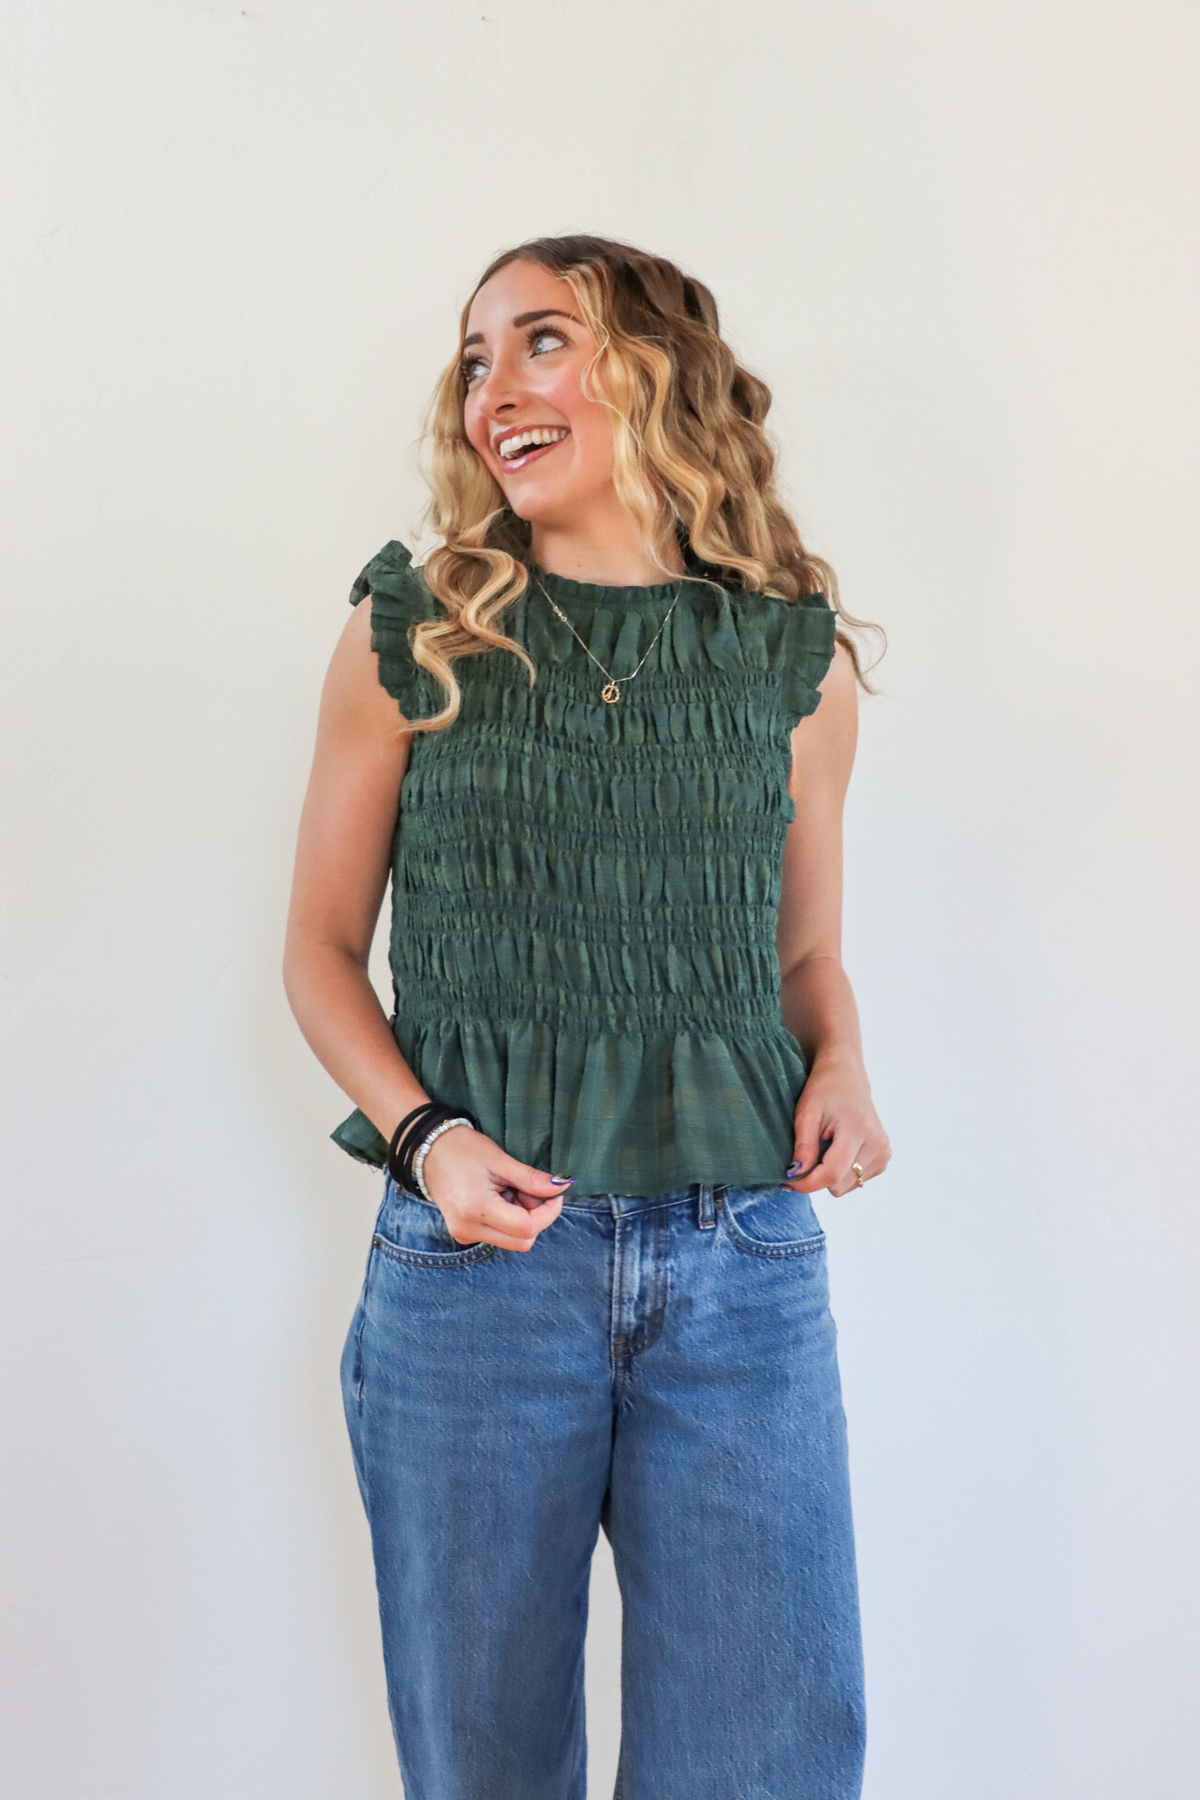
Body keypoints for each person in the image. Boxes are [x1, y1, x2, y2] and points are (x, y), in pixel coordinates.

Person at [282, 233, 890, 1800]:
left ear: (656, 372)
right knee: (484, 1771)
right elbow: (321, 949)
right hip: (478, 1274)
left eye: (540, 341)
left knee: (766, 1767)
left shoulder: (788, 659)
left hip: (742, 1263)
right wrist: (426, 1142)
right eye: (475, 359)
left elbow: (805, 955)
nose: (495, 389)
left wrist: (846, 1064)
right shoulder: (414, 627)